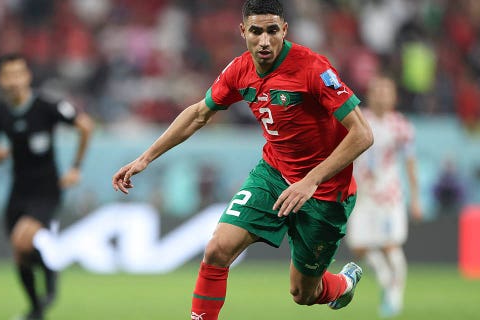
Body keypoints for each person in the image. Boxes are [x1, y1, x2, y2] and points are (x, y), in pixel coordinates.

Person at [112, 1, 374, 319]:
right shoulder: (239, 70)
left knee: (303, 294)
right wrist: (145, 158)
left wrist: (311, 180)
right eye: (256, 31)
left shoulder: (313, 68)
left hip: (325, 190)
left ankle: (344, 283)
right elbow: (198, 114)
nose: (264, 41)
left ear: (284, 30)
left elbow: (362, 134)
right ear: (243, 31)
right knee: (217, 249)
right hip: (274, 174)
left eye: (272, 31)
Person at [0, 53, 93, 320]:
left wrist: (76, 168)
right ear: (0, 79)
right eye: (9, 75)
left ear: (28, 76)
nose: (15, 81)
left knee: (22, 240)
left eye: (19, 74)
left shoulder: (45, 106)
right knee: (21, 254)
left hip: (47, 190)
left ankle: (41, 298)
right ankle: (37, 305)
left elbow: (85, 125)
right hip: (18, 192)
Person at [346, 75, 422, 318]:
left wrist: (416, 198)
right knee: (358, 246)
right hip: (362, 195)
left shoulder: (401, 126)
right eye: (376, 90)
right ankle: (386, 278)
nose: (380, 95)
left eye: (385, 91)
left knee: (391, 245)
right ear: (370, 94)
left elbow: (410, 163)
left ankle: (395, 296)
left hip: (390, 197)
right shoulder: (359, 119)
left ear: (394, 97)